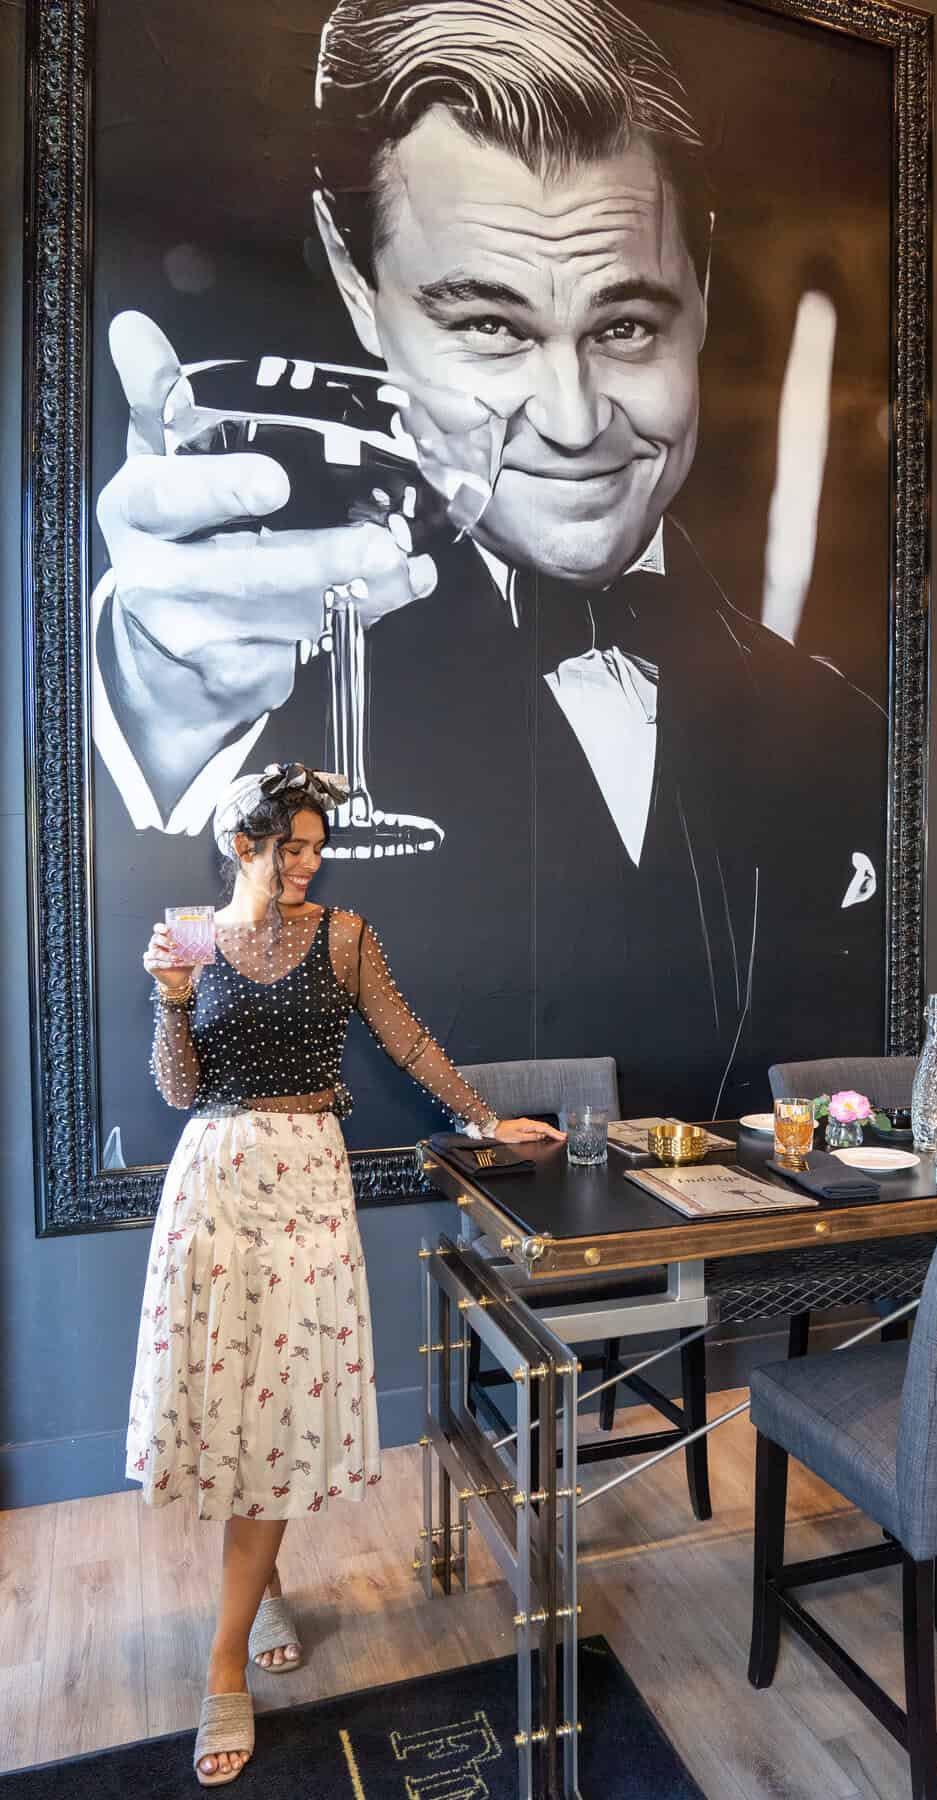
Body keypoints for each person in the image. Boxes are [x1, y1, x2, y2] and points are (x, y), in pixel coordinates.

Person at [92, 0, 886, 1162]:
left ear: (701, 284)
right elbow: (164, 1040)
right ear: (359, 287)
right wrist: (157, 700)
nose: (571, 424)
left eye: (625, 324)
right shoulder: (280, 685)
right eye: (490, 327)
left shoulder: (843, 726)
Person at [128, 761, 562, 1785]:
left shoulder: (346, 935)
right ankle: (247, 1619)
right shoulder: (190, 934)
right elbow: (180, 1088)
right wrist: (170, 1001)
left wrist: (484, 1118)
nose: (311, 865)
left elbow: (405, 1039)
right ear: (245, 845)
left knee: (277, 1411)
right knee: (231, 1408)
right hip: (218, 1186)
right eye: (295, 848)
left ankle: (227, 1651)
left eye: (320, 848)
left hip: (310, 1185)